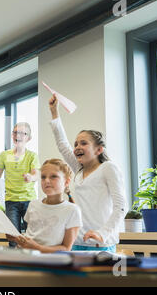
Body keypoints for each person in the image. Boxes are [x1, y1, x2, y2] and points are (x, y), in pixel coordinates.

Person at [48, 94, 126, 252]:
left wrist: (102, 233)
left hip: (101, 243)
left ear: (99, 149)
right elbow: (62, 144)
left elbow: (121, 206)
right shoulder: (79, 169)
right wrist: (54, 112)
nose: (77, 147)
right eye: (76, 143)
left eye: (83, 143)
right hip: (77, 241)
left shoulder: (108, 168)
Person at [6, 159, 82, 253]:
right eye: (43, 177)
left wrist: (37, 248)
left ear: (66, 182)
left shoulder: (72, 210)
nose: (46, 181)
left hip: (47, 263)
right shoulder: (33, 204)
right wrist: (17, 238)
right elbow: (32, 235)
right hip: (24, 258)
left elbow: (66, 248)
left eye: (53, 176)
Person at [0, 122, 40, 247]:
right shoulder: (4, 155)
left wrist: (31, 177)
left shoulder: (32, 156)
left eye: (22, 133)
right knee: (12, 235)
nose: (17, 135)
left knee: (32, 235)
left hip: (29, 200)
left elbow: (36, 174)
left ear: (28, 138)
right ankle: (14, 261)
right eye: (15, 132)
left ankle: (31, 260)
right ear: (11, 135)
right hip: (11, 201)